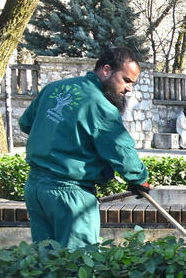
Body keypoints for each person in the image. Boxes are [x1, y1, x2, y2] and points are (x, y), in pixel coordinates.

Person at [18, 47, 149, 249]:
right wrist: (139, 180)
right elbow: (121, 149)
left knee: (46, 264)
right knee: (79, 266)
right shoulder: (100, 106)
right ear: (106, 70)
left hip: (35, 188)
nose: (129, 88)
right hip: (70, 195)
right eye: (126, 80)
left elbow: (26, 124)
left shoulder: (54, 89)